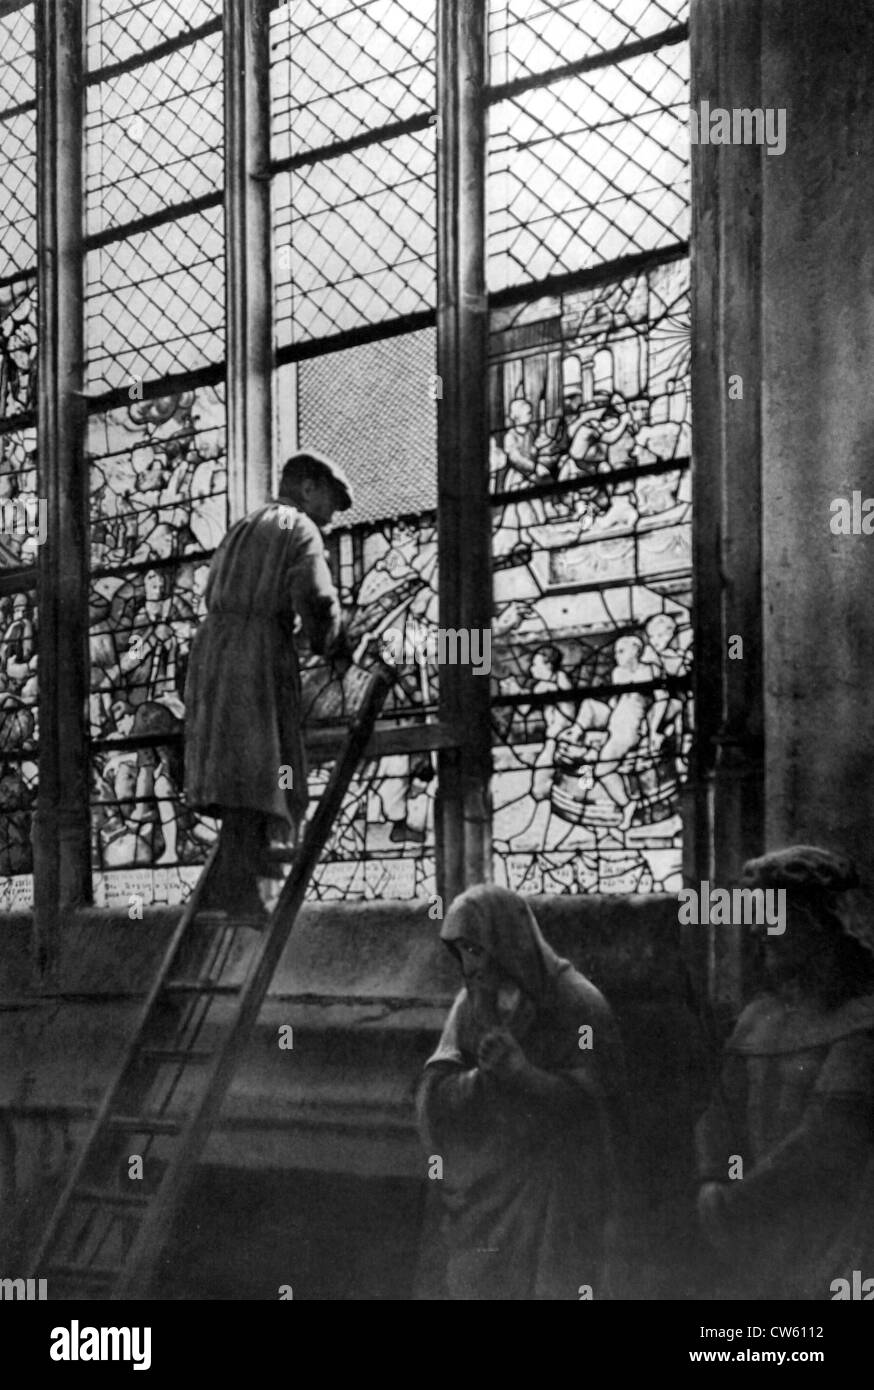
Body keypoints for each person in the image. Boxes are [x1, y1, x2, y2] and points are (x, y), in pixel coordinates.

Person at [416, 884, 627, 1300]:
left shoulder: (578, 1004)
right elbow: (435, 1093)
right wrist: (478, 1081)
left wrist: (523, 1075)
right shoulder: (469, 1005)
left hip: (552, 1190)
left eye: (475, 949)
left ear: (505, 942)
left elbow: (598, 1108)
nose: (469, 965)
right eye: (461, 952)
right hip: (481, 1182)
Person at [696, 845, 874, 1300]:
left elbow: (827, 1141)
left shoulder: (861, 1021)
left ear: (817, 923)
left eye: (772, 913)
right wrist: (712, 1181)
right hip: (754, 1236)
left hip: (837, 1236)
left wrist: (737, 1202)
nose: (758, 929)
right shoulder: (757, 1018)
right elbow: (720, 1116)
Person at [184, 450, 353, 918]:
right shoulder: (298, 527)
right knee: (262, 762)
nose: (331, 518)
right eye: (331, 504)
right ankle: (242, 888)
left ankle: (238, 881)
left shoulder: (244, 525)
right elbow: (316, 599)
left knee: (236, 767)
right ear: (308, 488)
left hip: (214, 651)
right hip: (254, 653)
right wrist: (332, 641)